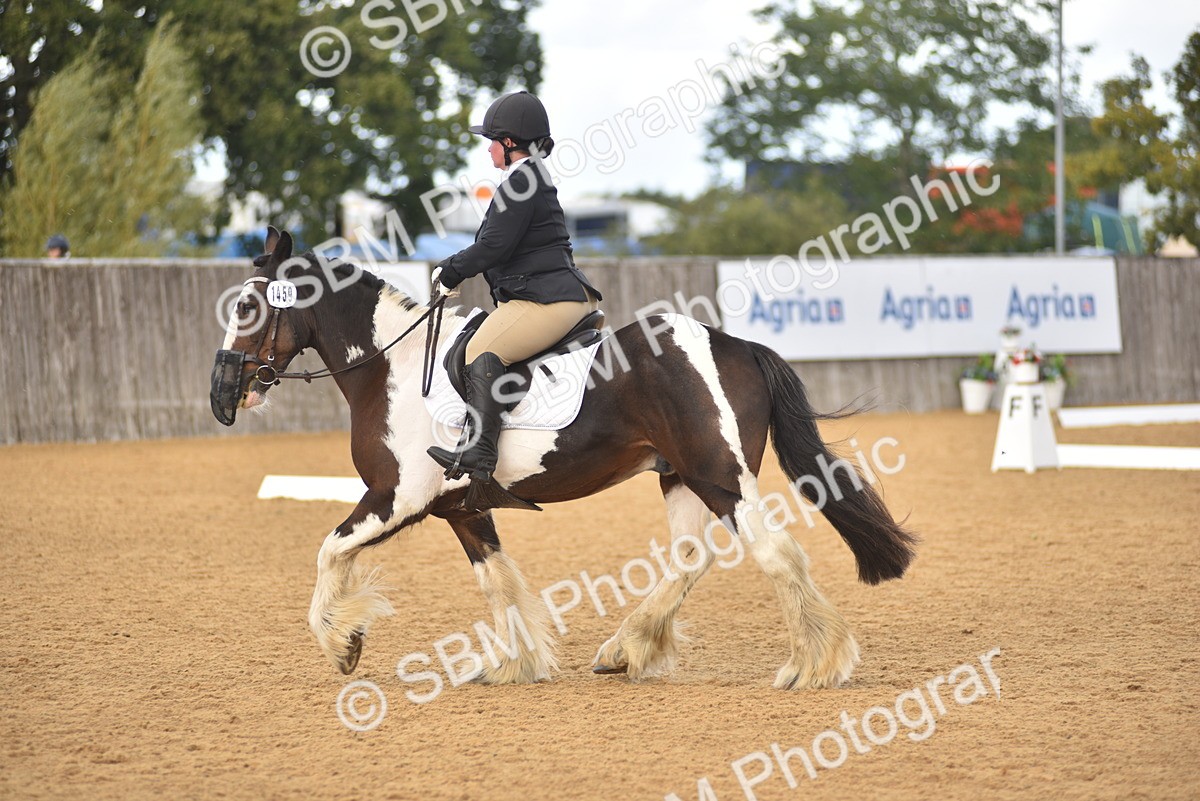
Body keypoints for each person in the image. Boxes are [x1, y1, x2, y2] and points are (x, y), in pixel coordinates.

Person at [426, 90, 602, 506]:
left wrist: (449, 270)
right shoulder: (526, 180)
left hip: (547, 301)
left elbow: (493, 248)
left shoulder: (522, 180)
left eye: (491, 140)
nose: (487, 149)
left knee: (479, 351)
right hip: (550, 295)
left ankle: (481, 453)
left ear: (509, 143)